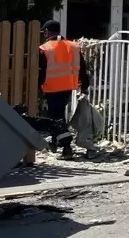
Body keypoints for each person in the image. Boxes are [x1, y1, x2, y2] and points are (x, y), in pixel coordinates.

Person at [38, 20, 91, 159]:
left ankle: (67, 146)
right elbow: (83, 68)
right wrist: (84, 85)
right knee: (58, 114)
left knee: (57, 117)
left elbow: (41, 71)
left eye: (44, 32)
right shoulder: (73, 47)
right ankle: (55, 141)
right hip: (68, 87)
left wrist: (38, 86)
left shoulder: (45, 48)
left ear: (47, 32)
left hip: (52, 88)